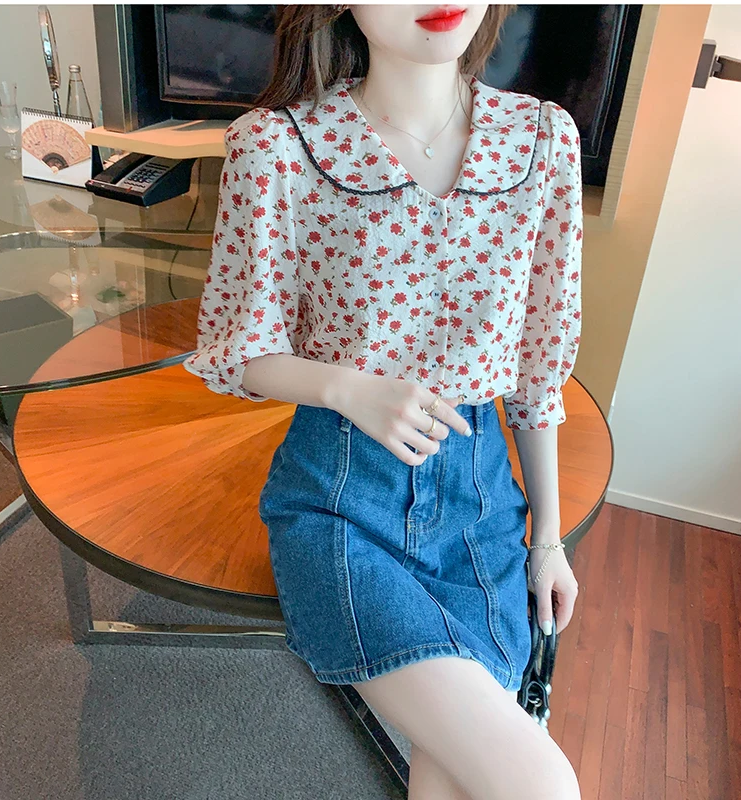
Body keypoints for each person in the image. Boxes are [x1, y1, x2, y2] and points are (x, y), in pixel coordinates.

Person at [184, 4, 582, 798]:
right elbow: (238, 348)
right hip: (341, 502)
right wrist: (349, 388)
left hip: (480, 509)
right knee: (536, 777)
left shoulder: (543, 141)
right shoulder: (277, 146)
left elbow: (539, 369)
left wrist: (548, 540)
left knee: (452, 772)